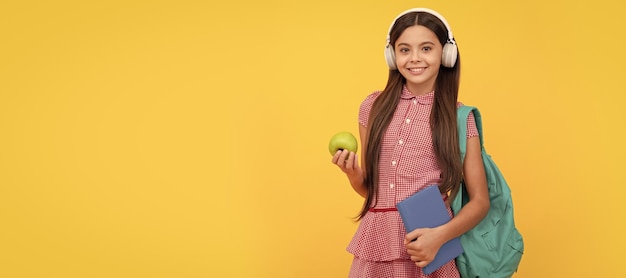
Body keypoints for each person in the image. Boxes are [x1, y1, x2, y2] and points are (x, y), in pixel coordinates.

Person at [331, 8, 490, 278]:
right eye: (404, 50)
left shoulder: (459, 118)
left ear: (446, 54)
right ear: (392, 56)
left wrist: (439, 236)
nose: (415, 58)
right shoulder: (372, 107)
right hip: (376, 243)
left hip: (430, 244)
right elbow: (372, 191)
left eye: (426, 48)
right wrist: (352, 174)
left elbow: (480, 202)